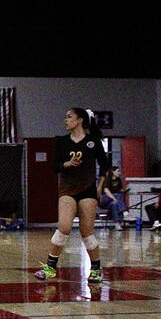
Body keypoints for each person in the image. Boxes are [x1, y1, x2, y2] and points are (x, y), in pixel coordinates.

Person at [34, 107, 110, 283]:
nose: (65, 120)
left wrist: (99, 186)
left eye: (69, 117)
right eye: (65, 117)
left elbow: (104, 165)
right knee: (64, 226)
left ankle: (96, 268)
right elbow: (55, 167)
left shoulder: (93, 141)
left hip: (88, 189)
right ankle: (50, 267)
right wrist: (67, 164)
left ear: (80, 120)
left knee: (87, 232)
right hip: (67, 189)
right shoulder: (61, 142)